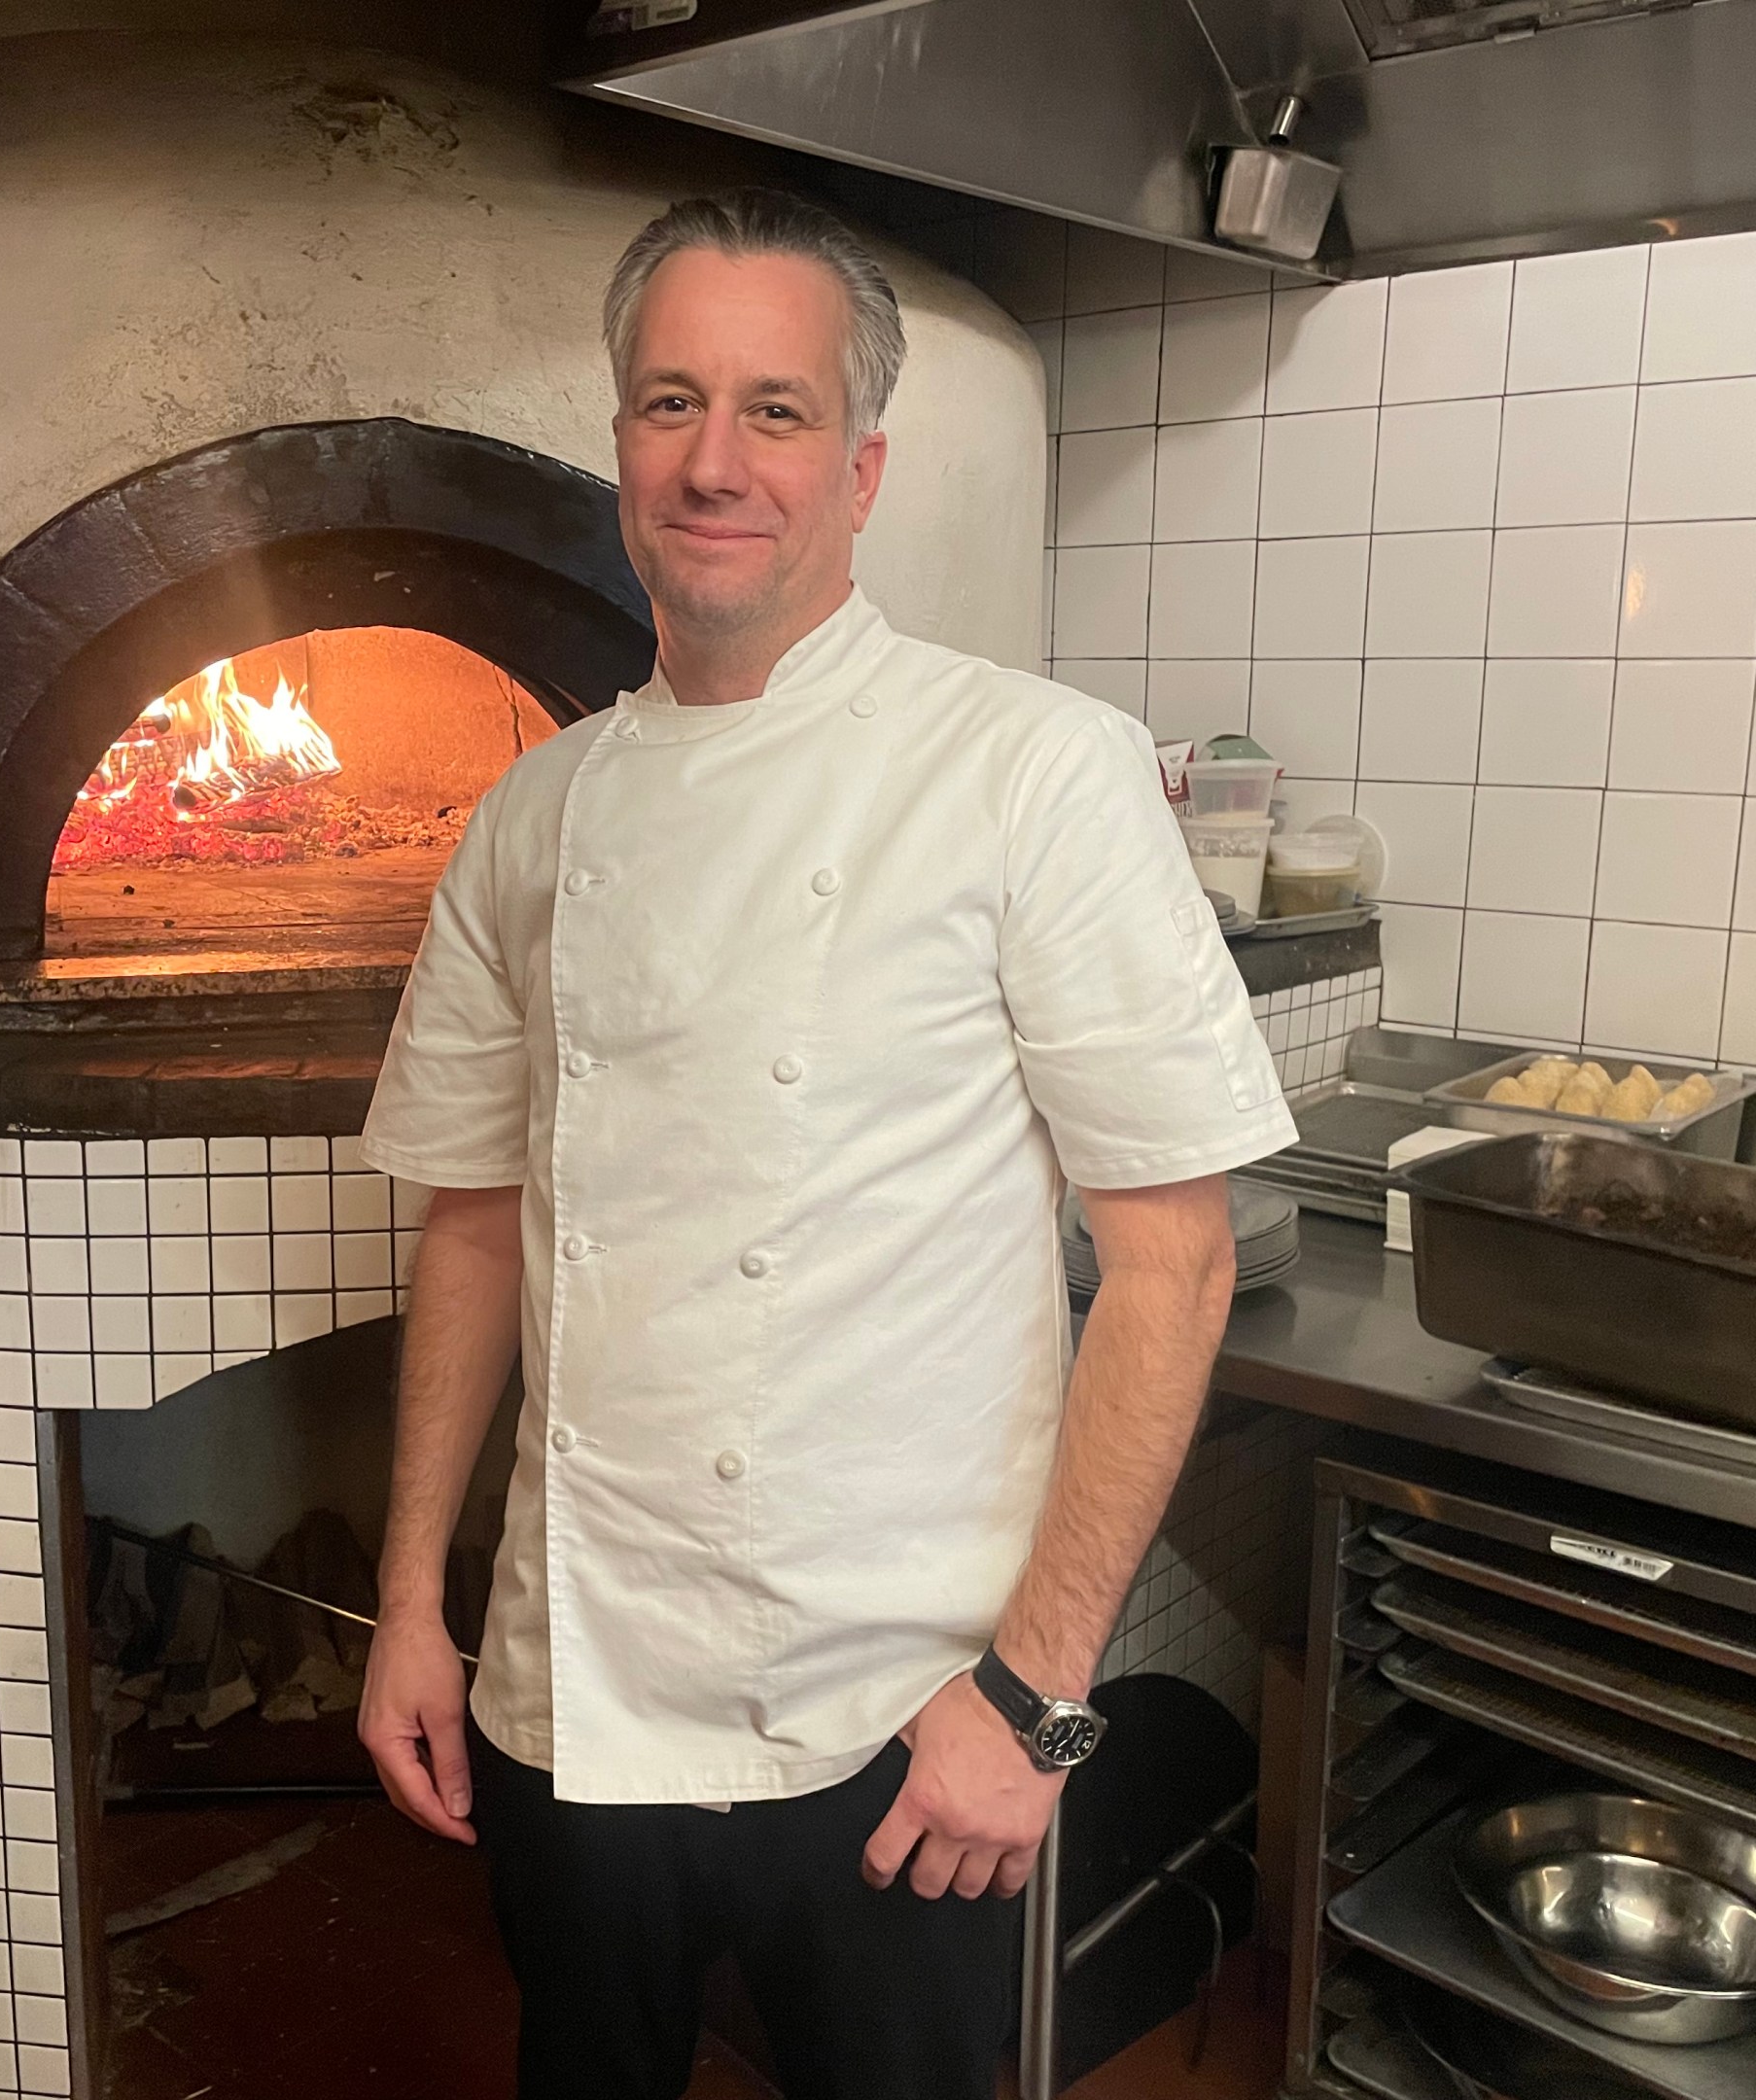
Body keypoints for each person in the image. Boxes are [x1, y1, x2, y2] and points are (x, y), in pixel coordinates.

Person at [354, 188, 1295, 2099]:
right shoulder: (531, 820)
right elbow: (467, 1223)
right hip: (574, 1688)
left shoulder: (1032, 770)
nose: (716, 462)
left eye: (774, 412)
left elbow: (1174, 1261)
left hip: (904, 1719)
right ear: (617, 440)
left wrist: (1032, 1700)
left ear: (861, 469)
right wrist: (410, 1609)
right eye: (670, 402)